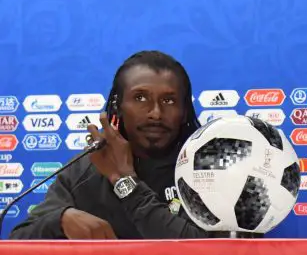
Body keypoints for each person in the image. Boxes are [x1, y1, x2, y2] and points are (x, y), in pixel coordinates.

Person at [11, 50, 238, 239]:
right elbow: (19, 240)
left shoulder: (211, 169)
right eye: (140, 98)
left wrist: (124, 182)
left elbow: (208, 254)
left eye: (169, 100)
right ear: (118, 106)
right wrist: (60, 220)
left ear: (184, 111)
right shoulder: (87, 167)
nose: (155, 113)